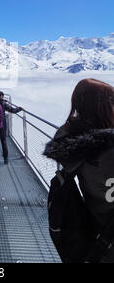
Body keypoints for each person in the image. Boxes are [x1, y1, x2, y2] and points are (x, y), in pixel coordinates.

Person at [44, 78, 114, 263]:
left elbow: (65, 134)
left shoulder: (76, 147)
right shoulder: (108, 151)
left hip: (97, 236)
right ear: (103, 108)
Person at [0, 91, 23, 164]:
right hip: (2, 124)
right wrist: (20, 108)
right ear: (1, 96)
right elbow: (13, 110)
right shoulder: (3, 103)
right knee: (3, 141)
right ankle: (5, 158)